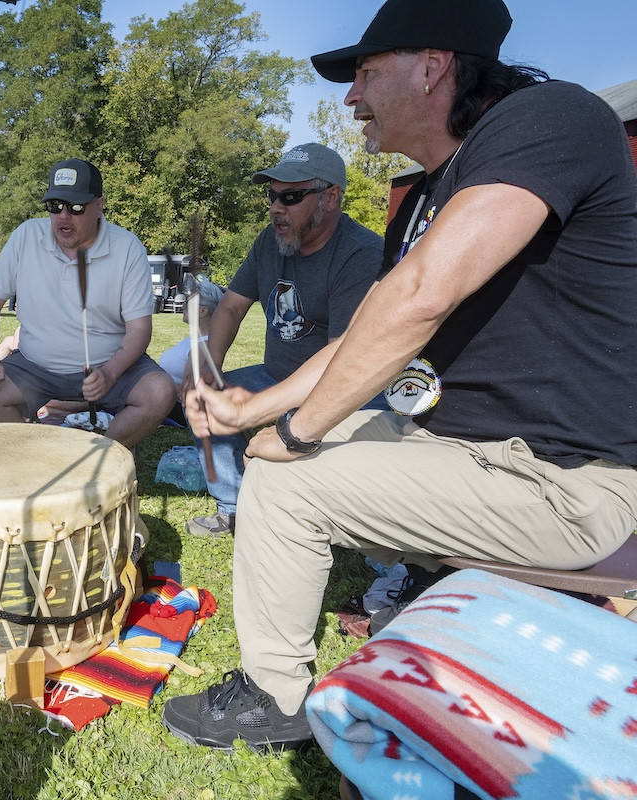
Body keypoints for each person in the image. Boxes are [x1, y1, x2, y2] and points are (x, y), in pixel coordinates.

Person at [161, 0, 637, 754]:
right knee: (287, 448)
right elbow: (369, 332)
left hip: (562, 478)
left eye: (365, 73)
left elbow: (420, 298)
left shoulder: (552, 118)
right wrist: (255, 409)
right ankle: (410, 585)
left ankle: (273, 700)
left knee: (286, 480)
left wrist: (298, 432)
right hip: (461, 446)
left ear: (432, 66)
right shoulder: (422, 196)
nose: (351, 98)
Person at [182, 143, 384, 537]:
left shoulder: (361, 254)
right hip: (276, 374)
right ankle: (234, 507)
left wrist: (253, 409)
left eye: (290, 197)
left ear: (330, 198)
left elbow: (342, 355)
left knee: (353, 445)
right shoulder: (268, 243)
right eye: (271, 196)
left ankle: (357, 530)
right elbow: (231, 307)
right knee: (203, 398)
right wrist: (210, 363)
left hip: (345, 390)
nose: (276, 208)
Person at [0, 158, 176, 450]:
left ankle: (103, 458)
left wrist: (110, 372)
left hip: (108, 365)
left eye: (76, 207)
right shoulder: (26, 236)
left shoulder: (127, 248)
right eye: (55, 206)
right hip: (34, 366)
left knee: (160, 392)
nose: (63, 216)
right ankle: (35, 457)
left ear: (99, 205)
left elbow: (140, 329)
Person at [156, 273, 224, 427]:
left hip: (172, 408)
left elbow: (189, 392)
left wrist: (155, 384)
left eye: (188, 302)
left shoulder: (203, 346)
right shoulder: (195, 340)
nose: (183, 306)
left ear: (202, 311)